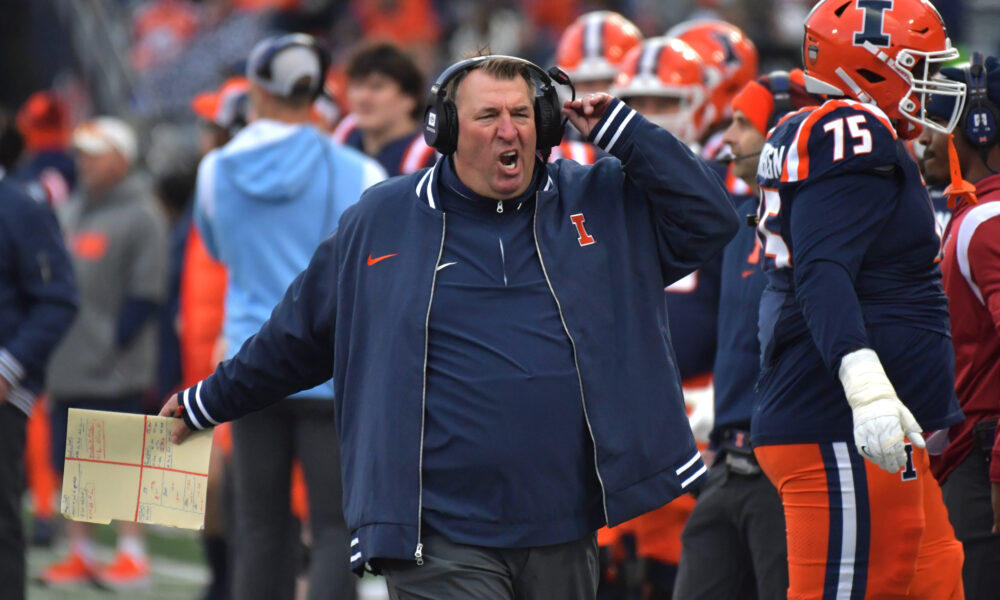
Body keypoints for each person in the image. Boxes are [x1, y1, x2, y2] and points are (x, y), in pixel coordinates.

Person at [161, 54, 739, 598]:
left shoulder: (598, 199)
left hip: (567, 522)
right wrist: (203, 403)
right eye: (488, 115)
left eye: (522, 114)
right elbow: (295, 338)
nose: (508, 130)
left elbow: (711, 218)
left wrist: (620, 127)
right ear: (445, 131)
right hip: (441, 531)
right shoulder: (382, 218)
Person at [750, 1, 968, 598]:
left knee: (936, 582)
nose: (935, 80)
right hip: (842, 424)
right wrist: (866, 387)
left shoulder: (844, 133)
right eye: (918, 65)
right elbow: (820, 271)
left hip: (884, 432)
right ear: (870, 68)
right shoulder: (853, 129)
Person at [190, 33, 386, 600]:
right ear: (318, 89)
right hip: (330, 370)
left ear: (256, 90)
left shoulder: (215, 171)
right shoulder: (360, 170)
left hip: (247, 368)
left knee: (258, 529)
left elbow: (219, 248)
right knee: (332, 530)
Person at [674, 69, 825, 599]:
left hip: (786, 470)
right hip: (727, 463)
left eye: (744, 123)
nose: (729, 138)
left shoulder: (821, 223)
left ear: (782, 129)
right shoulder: (742, 221)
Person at [41, 116, 168, 589]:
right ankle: (81, 552)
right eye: (81, 152)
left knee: (118, 462)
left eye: (94, 153)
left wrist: (110, 345)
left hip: (115, 368)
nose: (83, 161)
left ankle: (132, 554)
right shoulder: (73, 210)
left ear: (121, 158)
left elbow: (146, 294)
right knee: (70, 464)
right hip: (67, 362)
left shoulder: (141, 214)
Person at [918, 53, 1000, 600]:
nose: (923, 133)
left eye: (937, 116)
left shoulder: (984, 221)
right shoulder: (972, 212)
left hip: (983, 450)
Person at [0, 110, 78, 600]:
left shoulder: (22, 207)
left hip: (2, 391)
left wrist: (8, 365)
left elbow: (59, 298)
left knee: (1, 521)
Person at [332, 42, 436, 176]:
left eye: (377, 87)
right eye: (357, 86)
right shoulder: (346, 133)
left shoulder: (424, 157)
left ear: (409, 98)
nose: (363, 97)